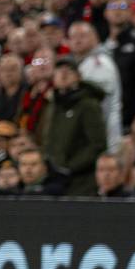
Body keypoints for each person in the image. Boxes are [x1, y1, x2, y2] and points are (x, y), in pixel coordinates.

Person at [44, 57, 108, 196]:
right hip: (55, 178)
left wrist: (70, 167)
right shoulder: (53, 104)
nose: (63, 74)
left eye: (69, 71)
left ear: (79, 77)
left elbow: (98, 144)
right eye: (59, 71)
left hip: (81, 181)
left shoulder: (88, 105)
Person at [68, 21, 122, 151]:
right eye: (73, 37)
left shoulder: (99, 63)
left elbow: (96, 104)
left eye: (82, 36)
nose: (78, 40)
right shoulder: (81, 64)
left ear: (95, 38)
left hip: (104, 133)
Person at [103, 0, 135, 128]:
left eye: (123, 7)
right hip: (106, 115)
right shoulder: (101, 46)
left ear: (130, 13)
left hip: (130, 116)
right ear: (105, 13)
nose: (117, 10)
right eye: (113, 7)